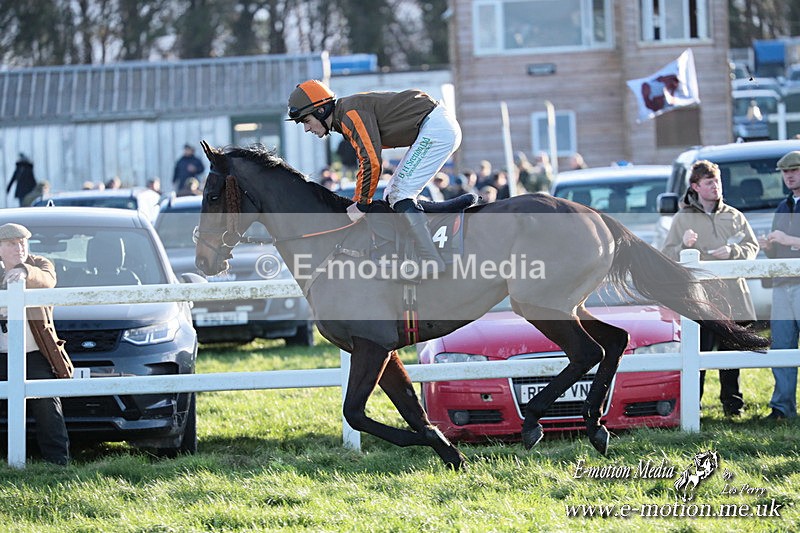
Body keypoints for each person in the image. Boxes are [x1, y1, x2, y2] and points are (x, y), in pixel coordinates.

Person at [287, 79, 462, 276]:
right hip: (435, 125)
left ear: (321, 111)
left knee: (400, 194)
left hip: (436, 128)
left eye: (306, 121)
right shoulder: (345, 115)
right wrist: (360, 201)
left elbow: (371, 161)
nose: (306, 129)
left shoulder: (349, 115)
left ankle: (431, 260)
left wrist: (361, 203)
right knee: (393, 194)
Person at [661, 160, 759, 417]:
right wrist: (683, 245)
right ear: (695, 186)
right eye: (709, 182)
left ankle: (733, 407)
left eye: (717, 181)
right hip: (699, 299)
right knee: (698, 353)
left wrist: (733, 251)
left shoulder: (734, 216)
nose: (716, 186)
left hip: (733, 297)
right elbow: (666, 255)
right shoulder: (682, 218)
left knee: (731, 355)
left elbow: (752, 247)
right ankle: (693, 408)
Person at [0, 223, 71, 465]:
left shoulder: (39, 264)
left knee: (48, 407)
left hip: (33, 354)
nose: (19, 248)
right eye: (11, 243)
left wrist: (24, 272)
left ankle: (57, 464)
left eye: (22, 243)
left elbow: (47, 279)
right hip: (1, 353)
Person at [758, 150, 800, 420]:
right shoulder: (783, 207)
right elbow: (777, 253)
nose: (789, 176)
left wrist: (788, 240)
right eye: (785, 172)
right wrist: (769, 247)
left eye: (794, 170)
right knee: (782, 347)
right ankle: (782, 408)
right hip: (783, 285)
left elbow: (788, 241)